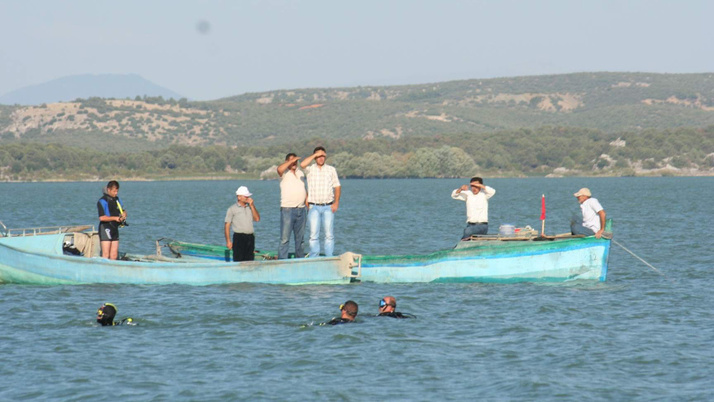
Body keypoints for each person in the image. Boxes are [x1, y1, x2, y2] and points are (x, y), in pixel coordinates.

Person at [300, 146, 341, 257]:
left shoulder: (331, 170)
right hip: (313, 207)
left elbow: (337, 186)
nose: (321, 158)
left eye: (323, 156)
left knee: (329, 234)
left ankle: (329, 256)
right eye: (319, 156)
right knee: (313, 235)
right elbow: (302, 165)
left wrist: (336, 203)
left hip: (328, 206)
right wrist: (315, 154)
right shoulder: (310, 169)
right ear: (315, 157)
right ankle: (314, 256)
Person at [277, 153, 308, 259]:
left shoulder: (300, 173)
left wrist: (307, 204)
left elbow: (303, 189)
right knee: (285, 239)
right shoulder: (284, 173)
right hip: (288, 210)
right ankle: (282, 260)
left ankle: (299, 259)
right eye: (291, 160)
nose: (294, 162)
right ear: (287, 162)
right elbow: (279, 169)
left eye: (295, 161)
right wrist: (291, 161)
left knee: (300, 239)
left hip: (301, 209)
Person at [224, 186, 260, 262]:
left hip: (250, 237)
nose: (247, 197)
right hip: (239, 237)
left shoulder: (250, 207)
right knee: (238, 260)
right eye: (245, 196)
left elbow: (257, 219)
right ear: (239, 197)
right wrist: (228, 241)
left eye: (248, 196)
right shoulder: (232, 209)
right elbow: (227, 225)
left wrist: (252, 205)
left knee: (250, 260)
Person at [97, 180, 128, 260]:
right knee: (106, 254)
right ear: (108, 190)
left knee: (114, 255)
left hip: (114, 228)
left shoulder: (117, 199)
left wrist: (124, 214)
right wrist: (115, 218)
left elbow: (123, 210)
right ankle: (103, 270)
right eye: (114, 191)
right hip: (105, 228)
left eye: (117, 191)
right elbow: (102, 217)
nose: (116, 193)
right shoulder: (102, 201)